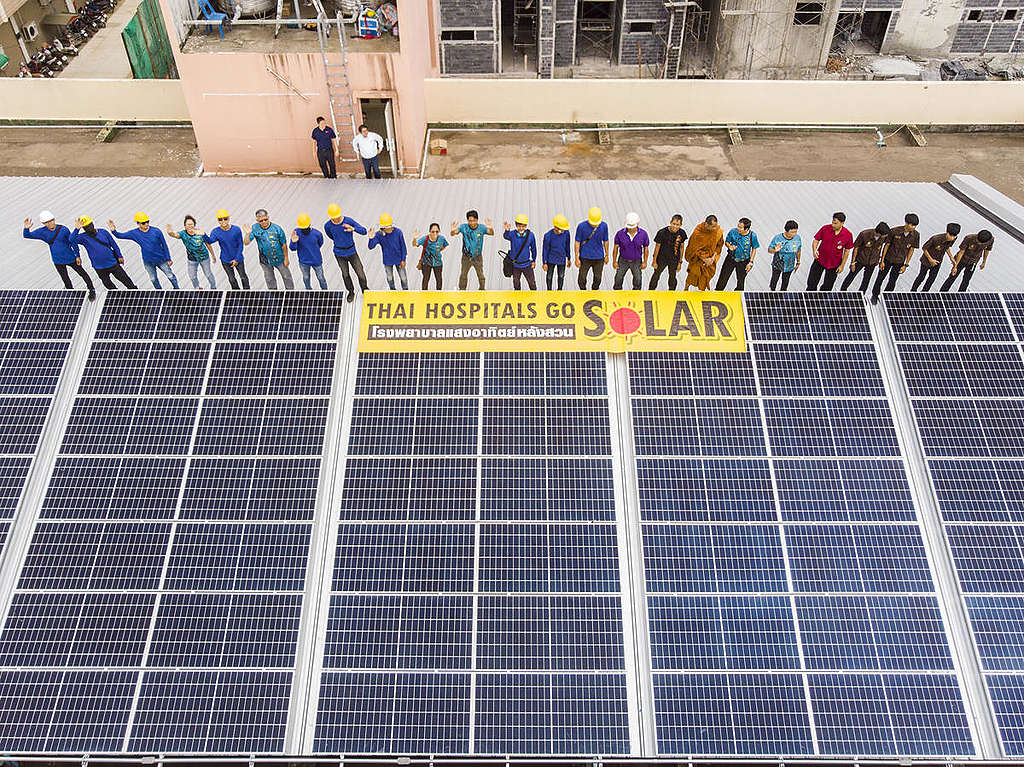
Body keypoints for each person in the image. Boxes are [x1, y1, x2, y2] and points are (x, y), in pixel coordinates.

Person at [23, 211, 95, 299]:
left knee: (83, 274)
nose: (50, 223)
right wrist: (26, 228)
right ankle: (72, 294)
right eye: (47, 222)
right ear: (43, 223)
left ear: (54, 219)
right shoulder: (41, 232)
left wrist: (77, 255)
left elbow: (72, 242)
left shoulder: (63, 229)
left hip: (71, 257)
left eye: (51, 220)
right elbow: (27, 235)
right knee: (65, 278)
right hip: (57, 260)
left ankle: (91, 290)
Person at [110, 212, 179, 290]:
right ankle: (159, 292)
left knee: (170, 276)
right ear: (138, 224)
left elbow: (164, 245)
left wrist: (168, 258)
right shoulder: (135, 233)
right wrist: (113, 231)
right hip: (148, 262)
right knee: (153, 279)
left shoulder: (157, 231)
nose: (146, 224)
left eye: (147, 222)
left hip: (161, 259)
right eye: (143, 223)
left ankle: (177, 289)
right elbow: (121, 235)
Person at [70, 216, 137, 290]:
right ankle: (117, 297)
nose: (88, 228)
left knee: (126, 281)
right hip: (99, 267)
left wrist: (119, 256)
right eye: (86, 227)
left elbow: (113, 244)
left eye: (89, 225)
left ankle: (135, 293)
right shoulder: (83, 237)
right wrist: (77, 229)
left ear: (92, 224)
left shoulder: (103, 232)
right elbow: (71, 239)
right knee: (108, 285)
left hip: (112, 263)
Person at [871, 213, 920, 304]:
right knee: (880, 278)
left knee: (893, 280)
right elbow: (887, 245)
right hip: (888, 259)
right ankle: (875, 295)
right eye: (912, 225)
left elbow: (911, 250)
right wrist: (882, 260)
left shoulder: (916, 235)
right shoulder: (894, 231)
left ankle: (886, 297)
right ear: (906, 223)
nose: (913, 227)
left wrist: (906, 264)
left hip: (900, 261)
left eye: (915, 226)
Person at [324, 203, 368, 303]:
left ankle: (365, 290)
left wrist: (353, 229)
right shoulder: (327, 226)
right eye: (334, 218)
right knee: (345, 274)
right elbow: (331, 236)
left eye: (338, 217)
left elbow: (364, 231)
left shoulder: (348, 221)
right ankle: (351, 292)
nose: (336, 219)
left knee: (360, 273)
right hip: (339, 254)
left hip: (352, 252)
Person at [244, 209, 294, 290]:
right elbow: (246, 242)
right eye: (261, 221)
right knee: (269, 279)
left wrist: (286, 258)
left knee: (286, 276)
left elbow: (284, 244)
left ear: (268, 217)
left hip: (279, 258)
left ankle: (291, 293)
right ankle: (273, 294)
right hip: (265, 260)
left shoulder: (277, 229)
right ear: (257, 221)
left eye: (265, 219)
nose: (264, 222)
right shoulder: (254, 228)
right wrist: (248, 234)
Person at [204, 209, 250, 290]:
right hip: (225, 260)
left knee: (243, 277)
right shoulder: (215, 232)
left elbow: (240, 245)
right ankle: (236, 293)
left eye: (225, 218)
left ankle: (247, 293)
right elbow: (210, 241)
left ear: (228, 218)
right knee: (232, 279)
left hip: (238, 259)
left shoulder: (236, 229)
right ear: (218, 221)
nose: (223, 221)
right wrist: (203, 235)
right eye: (220, 219)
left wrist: (236, 259)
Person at [166, 215, 216, 290]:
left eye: (191, 224)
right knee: (192, 276)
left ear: (194, 225)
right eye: (188, 224)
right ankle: (197, 288)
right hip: (192, 259)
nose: (190, 226)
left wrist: (213, 255)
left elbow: (208, 244)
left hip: (204, 257)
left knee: (208, 274)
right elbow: (175, 235)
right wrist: (169, 232)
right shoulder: (183, 234)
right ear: (185, 226)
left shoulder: (200, 233)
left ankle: (213, 288)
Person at [808, 212, 854, 291]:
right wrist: (815, 250)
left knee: (828, 286)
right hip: (820, 260)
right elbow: (816, 240)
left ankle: (821, 300)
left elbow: (847, 251)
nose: (833, 225)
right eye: (832, 222)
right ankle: (809, 298)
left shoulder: (848, 235)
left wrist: (842, 265)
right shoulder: (825, 228)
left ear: (842, 223)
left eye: (835, 223)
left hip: (834, 264)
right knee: (812, 282)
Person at [840, 221, 889, 293]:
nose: (886, 236)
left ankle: (862, 294)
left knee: (866, 280)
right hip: (860, 260)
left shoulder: (883, 237)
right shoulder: (864, 234)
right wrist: (853, 262)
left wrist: (879, 260)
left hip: (872, 262)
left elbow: (881, 247)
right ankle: (842, 291)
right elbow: (856, 247)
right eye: (884, 235)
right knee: (851, 276)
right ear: (879, 233)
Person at [450, 210, 493, 290]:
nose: (472, 223)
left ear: (477, 220)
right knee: (463, 274)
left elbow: (491, 233)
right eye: (470, 221)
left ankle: (482, 289)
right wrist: (452, 230)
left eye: (474, 220)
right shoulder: (463, 227)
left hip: (478, 256)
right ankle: (462, 290)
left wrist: (490, 228)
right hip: (466, 257)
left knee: (480, 274)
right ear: (467, 220)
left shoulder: (481, 228)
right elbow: (454, 233)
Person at [912, 223, 961, 292]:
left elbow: (947, 247)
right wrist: (931, 259)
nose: (952, 238)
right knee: (921, 277)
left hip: (938, 262)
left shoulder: (953, 239)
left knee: (931, 279)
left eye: (954, 236)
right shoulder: (936, 238)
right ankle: (913, 291)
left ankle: (924, 292)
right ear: (947, 232)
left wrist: (951, 257)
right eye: (950, 235)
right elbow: (924, 248)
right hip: (926, 261)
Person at [715, 217, 759, 291]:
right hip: (731, 258)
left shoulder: (752, 236)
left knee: (741, 281)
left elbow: (754, 249)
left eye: (740, 227)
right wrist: (729, 246)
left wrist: (750, 262)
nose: (738, 228)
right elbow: (727, 241)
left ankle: (738, 294)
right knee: (723, 277)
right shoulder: (733, 232)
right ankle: (718, 291)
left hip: (744, 261)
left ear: (746, 229)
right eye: (738, 226)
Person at [683, 215, 724, 291]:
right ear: (707, 224)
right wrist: (704, 259)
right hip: (697, 258)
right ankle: (686, 288)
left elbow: (719, 245)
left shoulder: (718, 231)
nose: (716, 228)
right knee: (692, 275)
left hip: (710, 259)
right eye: (713, 226)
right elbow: (694, 248)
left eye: (716, 225)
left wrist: (712, 258)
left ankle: (702, 292)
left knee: (705, 277)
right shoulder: (698, 233)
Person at [368, 214, 408, 290]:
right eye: (388, 227)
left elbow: (403, 247)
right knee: (390, 278)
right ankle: (392, 291)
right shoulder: (379, 235)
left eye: (391, 226)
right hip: (387, 261)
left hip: (399, 260)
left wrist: (403, 259)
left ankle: (405, 291)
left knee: (403, 278)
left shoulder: (398, 232)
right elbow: (371, 247)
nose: (391, 229)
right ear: (383, 228)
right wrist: (371, 238)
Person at [289, 214, 328, 290]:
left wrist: (313, 250)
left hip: (316, 261)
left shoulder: (317, 234)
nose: (304, 229)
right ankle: (308, 291)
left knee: (321, 278)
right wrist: (293, 242)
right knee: (306, 278)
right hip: (303, 262)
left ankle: (325, 292)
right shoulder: (296, 233)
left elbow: (320, 243)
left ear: (309, 224)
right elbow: (292, 248)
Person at [649, 215, 687, 291]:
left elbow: (682, 247)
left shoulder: (682, 233)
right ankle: (651, 290)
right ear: (670, 222)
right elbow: (657, 247)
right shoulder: (662, 233)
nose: (675, 226)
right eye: (673, 224)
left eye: (677, 225)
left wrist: (680, 262)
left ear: (681, 225)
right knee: (656, 275)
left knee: (672, 277)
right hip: (662, 258)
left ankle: (672, 292)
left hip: (674, 259)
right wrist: (654, 261)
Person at [575, 206, 609, 290]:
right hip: (584, 257)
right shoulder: (581, 227)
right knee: (582, 278)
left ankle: (594, 291)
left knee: (598, 277)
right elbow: (577, 242)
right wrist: (576, 257)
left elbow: (606, 240)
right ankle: (583, 291)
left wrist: (607, 254)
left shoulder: (604, 226)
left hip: (599, 257)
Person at [612, 212, 649, 290]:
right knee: (618, 277)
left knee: (638, 279)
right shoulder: (620, 234)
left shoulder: (643, 234)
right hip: (623, 260)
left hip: (636, 261)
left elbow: (646, 248)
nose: (631, 228)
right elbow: (615, 248)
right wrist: (614, 261)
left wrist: (645, 262)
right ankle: (617, 292)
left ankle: (636, 293)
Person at [503, 214, 538, 290]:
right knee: (516, 283)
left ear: (526, 226)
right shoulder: (512, 234)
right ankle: (517, 298)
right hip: (515, 265)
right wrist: (507, 230)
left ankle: (534, 297)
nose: (521, 228)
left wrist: (534, 260)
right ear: (516, 225)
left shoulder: (531, 235)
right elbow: (506, 236)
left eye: (523, 226)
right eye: (519, 226)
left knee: (532, 283)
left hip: (527, 264)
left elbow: (534, 248)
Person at [412, 223, 448, 290]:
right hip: (426, 263)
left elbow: (445, 245)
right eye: (433, 231)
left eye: (437, 231)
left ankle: (439, 294)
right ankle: (424, 294)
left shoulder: (441, 238)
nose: (435, 233)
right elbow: (415, 244)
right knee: (426, 279)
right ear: (429, 231)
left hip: (438, 262)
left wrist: (438, 250)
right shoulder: (425, 239)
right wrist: (414, 238)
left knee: (439, 280)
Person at [768, 221, 801, 291]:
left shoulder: (797, 238)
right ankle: (771, 292)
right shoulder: (777, 238)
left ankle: (782, 295)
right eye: (792, 232)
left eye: (796, 232)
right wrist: (775, 250)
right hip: (777, 264)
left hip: (789, 265)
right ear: (786, 230)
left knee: (785, 282)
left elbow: (798, 250)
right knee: (774, 280)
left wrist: (798, 262)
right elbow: (769, 250)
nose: (794, 234)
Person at [542, 215, 572, 290]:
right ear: (555, 227)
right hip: (551, 259)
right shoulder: (548, 236)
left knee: (561, 276)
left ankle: (559, 290)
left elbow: (567, 245)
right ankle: (549, 290)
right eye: (561, 229)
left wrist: (569, 258)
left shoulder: (566, 233)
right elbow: (545, 250)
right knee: (549, 276)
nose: (562, 231)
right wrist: (544, 262)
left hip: (562, 259)